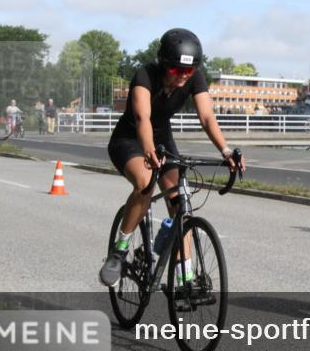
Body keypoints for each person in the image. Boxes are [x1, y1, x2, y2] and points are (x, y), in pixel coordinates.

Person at [99, 28, 246, 289]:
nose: (184, 76)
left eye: (189, 71)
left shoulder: (194, 77)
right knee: (145, 183)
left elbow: (207, 118)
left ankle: (185, 277)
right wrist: (147, 150)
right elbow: (143, 118)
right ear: (164, 64)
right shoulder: (145, 75)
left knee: (181, 202)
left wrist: (225, 150)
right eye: (178, 70)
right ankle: (119, 251)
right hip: (130, 139)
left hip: (163, 140)